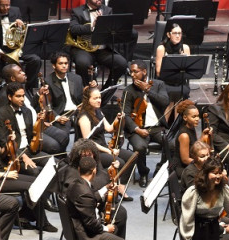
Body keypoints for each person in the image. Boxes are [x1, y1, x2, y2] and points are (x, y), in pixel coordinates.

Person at [0, 109, 55, 233]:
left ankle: (27, 215)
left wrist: (8, 142)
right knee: (31, 186)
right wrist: (4, 174)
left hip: (3, 172)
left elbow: (0, 153)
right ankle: (42, 222)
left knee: (36, 182)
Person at [66, 156, 130, 240]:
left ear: (79, 169)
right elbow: (91, 223)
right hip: (88, 237)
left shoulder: (75, 183)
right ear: (94, 171)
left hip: (79, 227)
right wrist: (106, 228)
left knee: (117, 224)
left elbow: (89, 199)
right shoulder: (85, 193)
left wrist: (106, 188)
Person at [0, 64, 69, 155]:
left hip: (36, 123)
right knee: (54, 146)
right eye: (20, 72)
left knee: (64, 136)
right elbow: (13, 122)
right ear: (13, 78)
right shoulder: (4, 97)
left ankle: (61, 160)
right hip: (29, 129)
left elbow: (29, 107)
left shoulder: (21, 88)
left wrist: (38, 94)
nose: (24, 73)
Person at [75, 85, 135, 199]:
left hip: (104, 147)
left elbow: (110, 128)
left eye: (99, 97)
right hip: (91, 151)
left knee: (131, 157)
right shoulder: (84, 117)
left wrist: (118, 119)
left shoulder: (98, 112)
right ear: (88, 100)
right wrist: (108, 150)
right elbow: (88, 142)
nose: (99, 100)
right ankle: (109, 191)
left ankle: (121, 187)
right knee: (120, 162)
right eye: (95, 98)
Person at [123, 60, 169, 188]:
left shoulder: (159, 84)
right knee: (140, 147)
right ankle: (143, 173)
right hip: (138, 128)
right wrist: (137, 129)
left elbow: (165, 102)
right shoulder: (128, 90)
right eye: (131, 72)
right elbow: (125, 115)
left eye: (135, 72)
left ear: (144, 72)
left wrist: (148, 91)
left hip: (157, 127)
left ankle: (160, 169)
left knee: (171, 143)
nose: (132, 75)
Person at [68, 0, 131, 88]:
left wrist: (104, 25)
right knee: (82, 63)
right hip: (84, 50)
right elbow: (73, 29)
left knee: (122, 64)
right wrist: (92, 26)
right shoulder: (77, 11)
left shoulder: (107, 10)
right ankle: (88, 93)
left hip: (103, 49)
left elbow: (113, 29)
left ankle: (105, 93)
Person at [0, 82, 51, 177]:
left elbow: (32, 134)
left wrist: (40, 123)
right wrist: (23, 156)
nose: (22, 99)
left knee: (55, 164)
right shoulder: (1, 114)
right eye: (18, 96)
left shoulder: (27, 111)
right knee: (35, 171)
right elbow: (3, 142)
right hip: (14, 154)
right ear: (9, 97)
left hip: (30, 149)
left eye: (23, 96)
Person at [0, 0, 41, 91]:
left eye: (8, 5)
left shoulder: (16, 11)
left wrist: (20, 24)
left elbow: (21, 33)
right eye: (3, 6)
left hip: (15, 48)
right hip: (1, 48)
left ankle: (29, 88)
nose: (6, 8)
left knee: (35, 59)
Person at [44, 51, 87, 131]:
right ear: (54, 65)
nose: (64, 66)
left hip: (77, 111)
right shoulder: (48, 81)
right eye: (60, 63)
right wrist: (57, 117)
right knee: (63, 135)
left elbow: (83, 97)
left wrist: (89, 90)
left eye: (66, 63)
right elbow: (47, 105)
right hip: (62, 113)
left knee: (89, 122)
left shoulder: (77, 78)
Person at [154, 23, 191, 108]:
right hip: (165, 83)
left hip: (180, 83)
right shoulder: (161, 48)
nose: (178, 36)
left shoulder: (185, 48)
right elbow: (159, 72)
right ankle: (166, 120)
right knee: (170, 93)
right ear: (168, 34)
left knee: (182, 91)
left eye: (180, 33)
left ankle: (177, 120)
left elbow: (188, 70)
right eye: (175, 33)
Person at [173, 100, 208, 178]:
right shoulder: (184, 135)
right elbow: (185, 159)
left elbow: (193, 147)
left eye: (198, 116)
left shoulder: (191, 128)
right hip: (181, 168)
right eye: (194, 117)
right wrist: (202, 164)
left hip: (190, 164)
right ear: (185, 117)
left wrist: (203, 135)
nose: (197, 119)